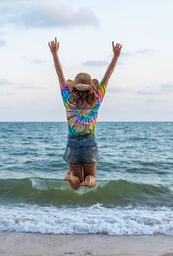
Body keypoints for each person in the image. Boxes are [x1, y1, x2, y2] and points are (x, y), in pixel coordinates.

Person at [48, 38, 122, 190]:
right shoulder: (97, 99)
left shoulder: (68, 99)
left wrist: (54, 53)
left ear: (74, 86)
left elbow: (60, 75)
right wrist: (115, 56)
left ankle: (72, 176)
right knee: (92, 178)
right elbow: (107, 77)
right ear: (90, 87)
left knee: (75, 185)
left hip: (72, 143)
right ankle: (88, 180)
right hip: (89, 142)